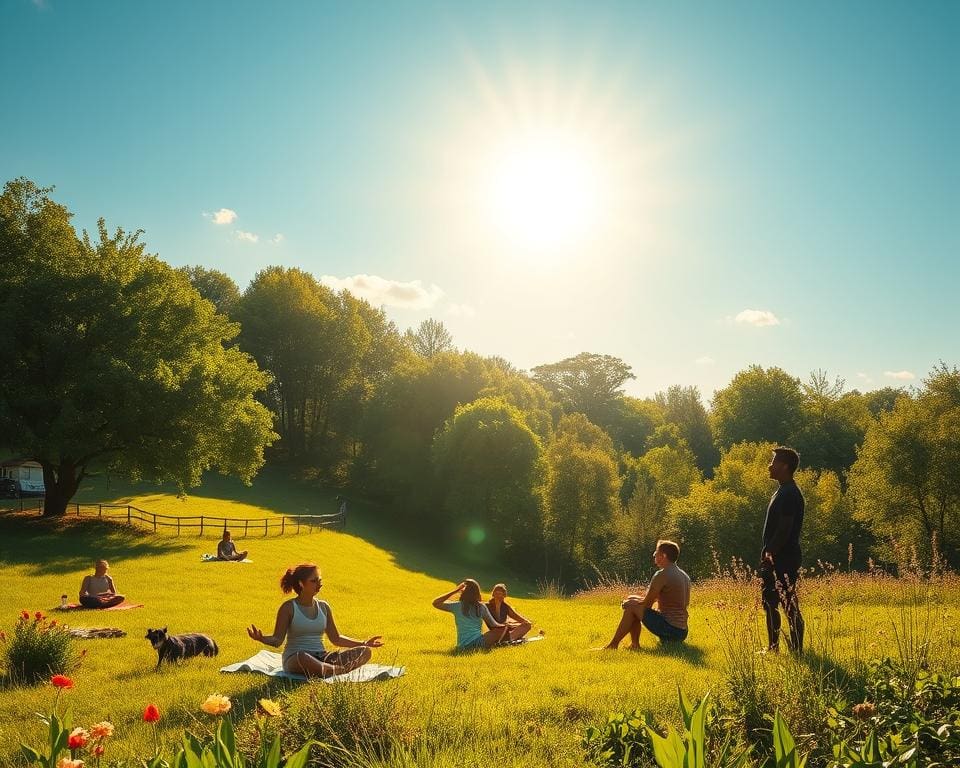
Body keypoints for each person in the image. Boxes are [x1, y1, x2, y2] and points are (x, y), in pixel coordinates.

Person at [246, 563, 384, 677]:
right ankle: (337, 670)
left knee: (365, 651)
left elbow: (336, 638)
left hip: (322, 656)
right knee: (303, 657)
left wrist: (365, 643)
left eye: (319, 580)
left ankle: (330, 669)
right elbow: (277, 640)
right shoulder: (288, 608)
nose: (319, 584)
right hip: (296, 658)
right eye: (314, 581)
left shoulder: (324, 607)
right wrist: (261, 638)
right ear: (301, 584)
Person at [602, 540, 690, 649]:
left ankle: (613, 645)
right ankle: (634, 645)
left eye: (656, 553)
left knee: (630, 607)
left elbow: (646, 605)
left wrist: (629, 603)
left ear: (663, 556)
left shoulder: (662, 575)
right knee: (632, 600)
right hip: (682, 632)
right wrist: (632, 599)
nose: (654, 556)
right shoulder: (684, 576)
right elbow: (660, 600)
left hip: (670, 629)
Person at [761, 446, 805, 654]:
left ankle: (795, 649)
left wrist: (770, 552)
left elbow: (785, 528)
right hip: (779, 555)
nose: (770, 465)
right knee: (771, 602)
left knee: (787, 603)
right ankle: (774, 647)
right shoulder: (783, 491)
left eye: (774, 461)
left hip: (783, 557)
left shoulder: (789, 493)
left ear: (785, 466)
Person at [432, 579, 507, 650]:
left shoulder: (457, 606)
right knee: (501, 629)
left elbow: (436, 603)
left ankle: (492, 646)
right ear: (477, 593)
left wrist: (456, 590)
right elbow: (494, 624)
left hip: (462, 646)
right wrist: (506, 626)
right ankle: (495, 645)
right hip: (478, 643)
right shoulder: (480, 606)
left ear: (463, 593)